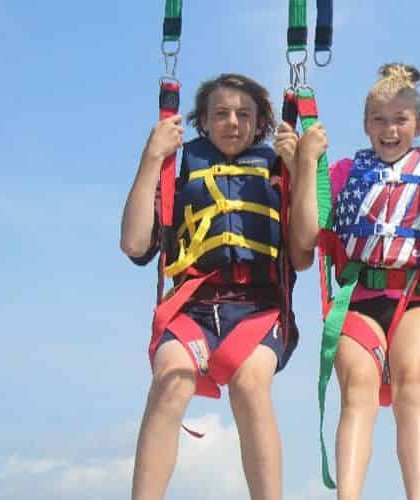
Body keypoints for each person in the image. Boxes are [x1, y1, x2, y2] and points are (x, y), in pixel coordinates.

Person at [287, 63, 420, 500]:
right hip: (357, 300)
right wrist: (305, 163)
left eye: (400, 120)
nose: (390, 130)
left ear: (419, 125)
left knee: (411, 384)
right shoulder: (345, 171)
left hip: (414, 298)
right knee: (358, 391)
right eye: (380, 120)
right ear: (366, 124)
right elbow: (306, 241)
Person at [120, 73, 300, 500]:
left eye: (243, 114)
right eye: (220, 113)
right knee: (170, 378)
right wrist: (151, 157)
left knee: (250, 383)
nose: (232, 122)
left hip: (258, 308)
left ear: (261, 124)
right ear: (201, 121)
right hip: (193, 305)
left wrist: (304, 167)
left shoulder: (278, 175)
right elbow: (132, 242)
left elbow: (306, 252)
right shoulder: (178, 175)